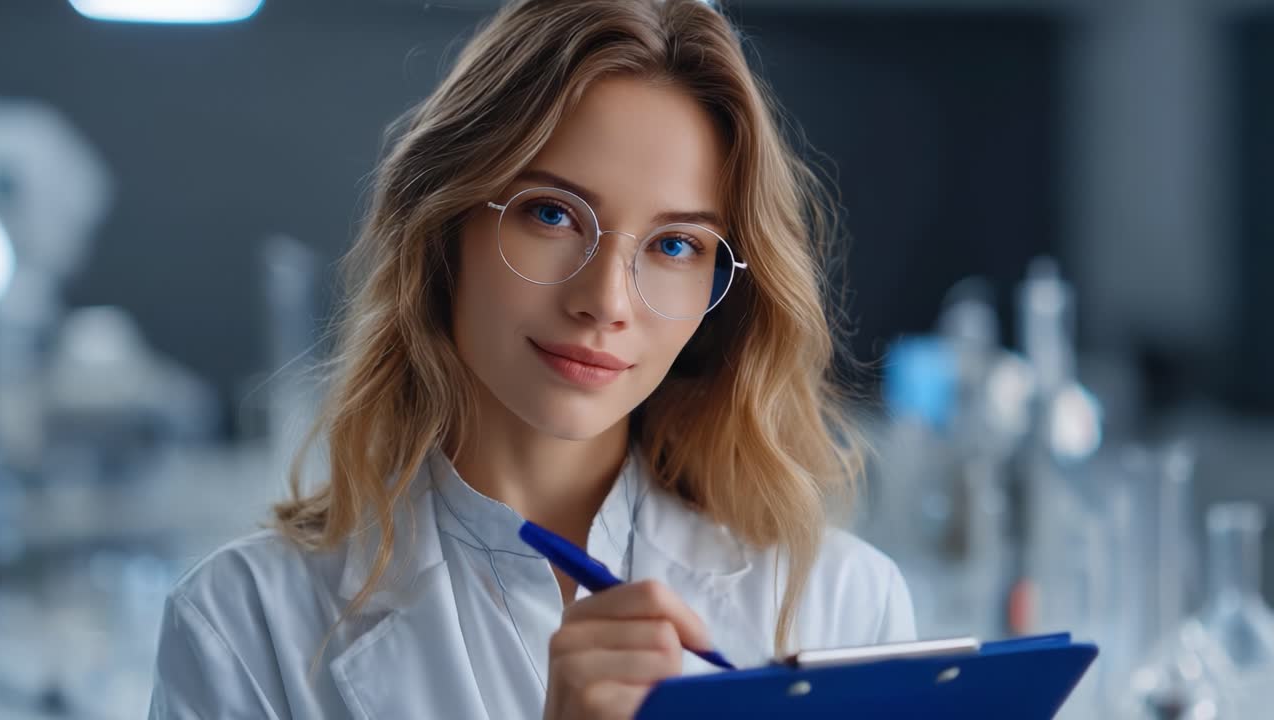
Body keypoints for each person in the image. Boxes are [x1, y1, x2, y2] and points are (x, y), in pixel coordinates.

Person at [148, 1, 915, 718]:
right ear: (444, 227)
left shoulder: (843, 606)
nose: (606, 301)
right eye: (552, 214)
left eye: (676, 245)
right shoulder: (244, 622)